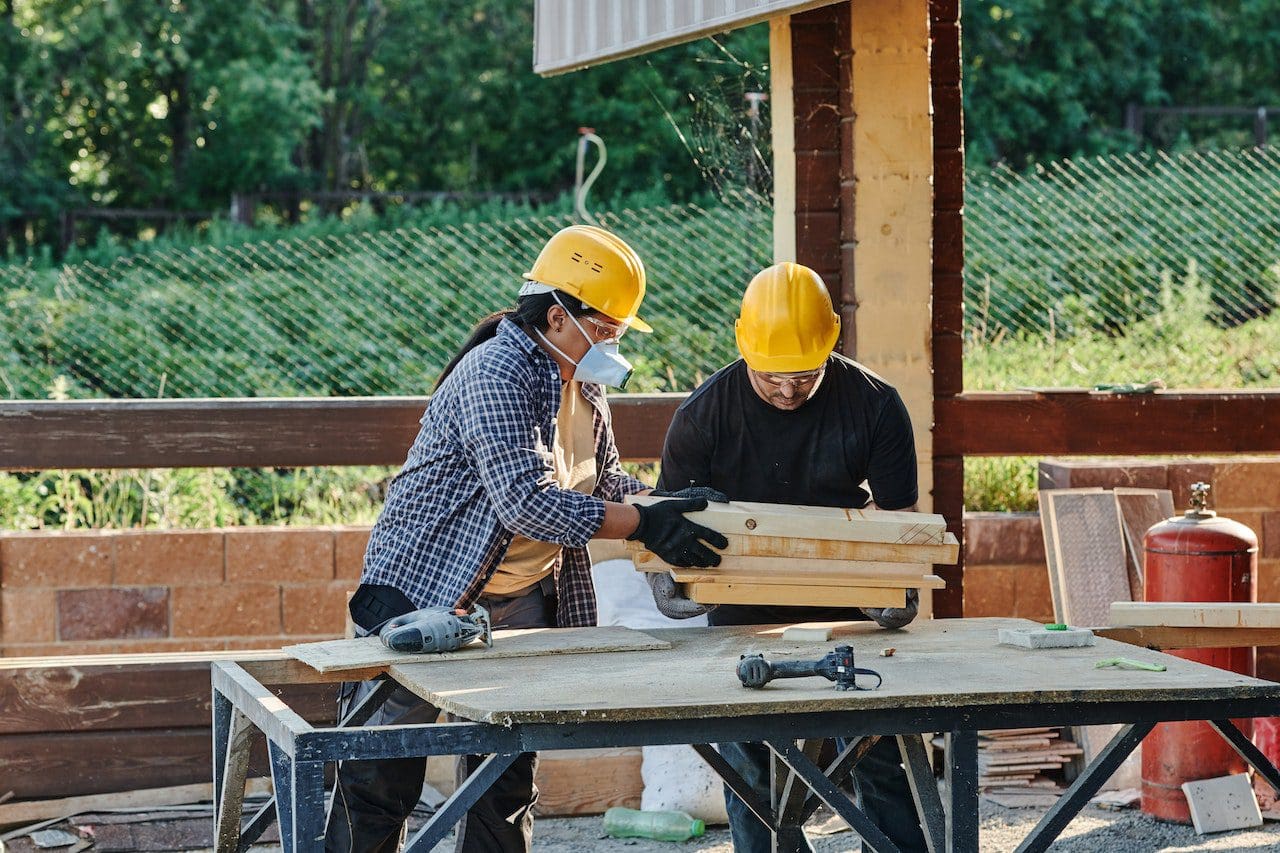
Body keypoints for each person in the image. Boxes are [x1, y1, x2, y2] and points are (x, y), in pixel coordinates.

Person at [324, 224, 727, 853]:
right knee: (380, 769)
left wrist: (660, 504)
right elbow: (526, 502)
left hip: (522, 594)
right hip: (423, 587)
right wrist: (645, 526)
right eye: (608, 328)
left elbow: (605, 479)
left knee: (506, 771)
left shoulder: (583, 384)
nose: (613, 342)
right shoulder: (497, 372)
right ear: (561, 315)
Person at [650, 261, 928, 852]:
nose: (786, 389)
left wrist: (890, 589)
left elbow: (902, 526)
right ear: (743, 346)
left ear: (831, 343)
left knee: (879, 748)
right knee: (752, 762)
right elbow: (666, 538)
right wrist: (679, 545)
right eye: (771, 375)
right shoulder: (703, 416)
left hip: (850, 600)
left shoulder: (875, 404)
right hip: (739, 602)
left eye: (803, 375)